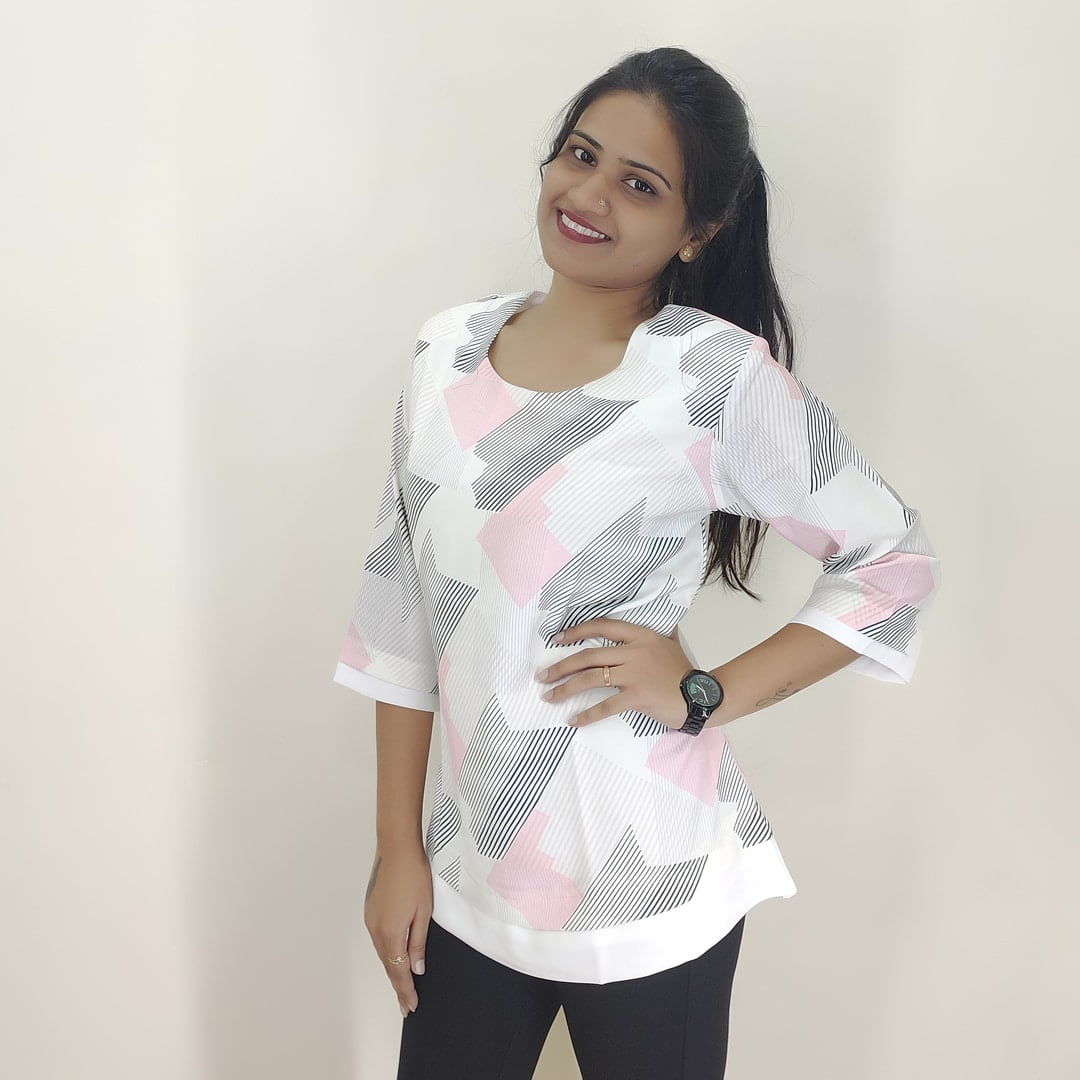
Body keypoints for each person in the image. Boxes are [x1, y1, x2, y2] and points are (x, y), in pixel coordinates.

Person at [334, 46, 938, 1080]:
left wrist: (706, 691)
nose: (589, 195)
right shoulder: (445, 354)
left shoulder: (712, 376)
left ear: (697, 231)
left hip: (650, 884)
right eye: (580, 155)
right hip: (471, 874)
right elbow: (401, 612)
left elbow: (894, 562)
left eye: (639, 184)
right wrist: (399, 850)